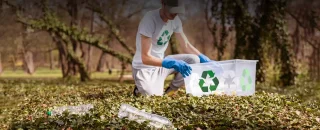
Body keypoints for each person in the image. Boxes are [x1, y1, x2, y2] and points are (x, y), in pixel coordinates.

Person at [132, 0, 212, 96]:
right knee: (153, 96)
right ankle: (139, 89)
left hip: (161, 64)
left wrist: (204, 58)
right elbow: (145, 58)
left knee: (194, 60)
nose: (174, 13)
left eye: (177, 10)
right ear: (163, 3)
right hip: (144, 68)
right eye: (172, 10)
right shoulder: (150, 20)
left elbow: (185, 45)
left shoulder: (176, 20)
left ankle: (171, 90)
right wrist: (170, 63)